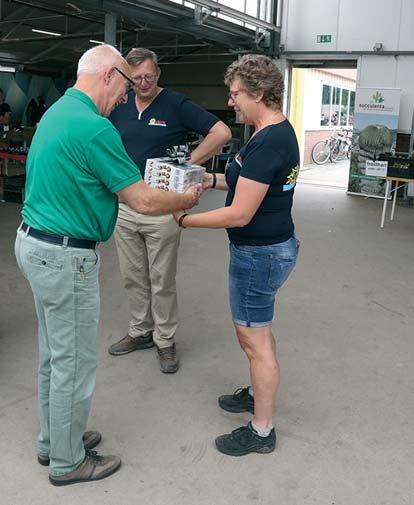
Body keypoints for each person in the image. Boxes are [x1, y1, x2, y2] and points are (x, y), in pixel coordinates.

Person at [14, 44, 200, 486]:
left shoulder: (58, 111)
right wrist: (186, 199)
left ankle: (54, 439)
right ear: (108, 75)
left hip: (33, 245)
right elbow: (142, 198)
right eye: (126, 82)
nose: (127, 94)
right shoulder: (94, 128)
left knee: (53, 357)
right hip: (64, 256)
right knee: (74, 364)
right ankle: (67, 461)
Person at [172, 55, 300, 456]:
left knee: (253, 339)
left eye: (236, 95)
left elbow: (240, 212)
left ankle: (261, 430)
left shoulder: (269, 142)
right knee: (257, 334)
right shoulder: (267, 133)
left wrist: (185, 221)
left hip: (259, 255)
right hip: (271, 248)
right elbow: (236, 179)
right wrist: (204, 178)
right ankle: (256, 392)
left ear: (258, 93)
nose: (231, 103)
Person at [108, 48, 231, 373]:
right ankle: (140, 332)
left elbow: (221, 132)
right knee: (133, 276)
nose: (143, 83)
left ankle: (165, 340)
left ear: (158, 73)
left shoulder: (175, 104)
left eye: (148, 76)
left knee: (162, 279)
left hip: (163, 207)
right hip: (124, 206)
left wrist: (189, 162)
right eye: (135, 79)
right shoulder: (119, 106)